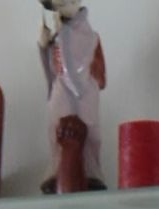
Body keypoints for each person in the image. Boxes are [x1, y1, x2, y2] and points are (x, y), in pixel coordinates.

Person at [37, 0, 107, 192]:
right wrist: (44, 46)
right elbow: (53, 67)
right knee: (56, 126)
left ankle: (90, 172)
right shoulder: (61, 32)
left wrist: (76, 88)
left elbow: (81, 62)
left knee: (88, 129)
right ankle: (56, 169)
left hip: (83, 89)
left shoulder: (86, 33)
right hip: (63, 85)